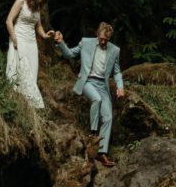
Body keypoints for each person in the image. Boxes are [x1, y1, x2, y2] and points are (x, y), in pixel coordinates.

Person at [49, 19, 126, 164]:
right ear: (97, 34)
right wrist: (60, 42)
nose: (103, 42)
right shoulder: (86, 42)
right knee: (96, 99)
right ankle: (93, 134)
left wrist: (120, 87)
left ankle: (101, 152)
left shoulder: (115, 50)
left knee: (108, 117)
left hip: (102, 85)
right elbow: (70, 54)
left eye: (106, 40)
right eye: (101, 38)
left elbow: (117, 72)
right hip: (87, 81)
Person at [2, 0, 47, 113]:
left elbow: (39, 26)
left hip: (31, 43)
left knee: (31, 72)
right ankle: (14, 101)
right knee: (18, 69)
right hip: (19, 38)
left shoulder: (38, 8)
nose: (39, 4)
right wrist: (14, 39)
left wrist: (46, 35)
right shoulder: (21, 1)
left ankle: (28, 106)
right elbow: (9, 21)